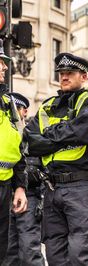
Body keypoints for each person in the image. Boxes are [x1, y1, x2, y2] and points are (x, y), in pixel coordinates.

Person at [24, 52, 88, 265]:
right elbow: (29, 141)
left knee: (80, 253)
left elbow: (82, 133)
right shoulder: (47, 105)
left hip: (81, 186)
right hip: (51, 186)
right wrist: (62, 136)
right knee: (54, 252)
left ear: (83, 77)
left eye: (70, 73)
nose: (64, 77)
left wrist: (48, 137)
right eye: (61, 73)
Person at [4, 92, 45, 265]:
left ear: (25, 111)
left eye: (16, 111)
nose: (13, 115)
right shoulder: (7, 131)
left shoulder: (34, 132)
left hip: (30, 197)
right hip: (8, 195)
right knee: (8, 251)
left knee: (29, 251)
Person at [0, 39, 27, 261]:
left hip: (5, 188)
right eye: (0, 62)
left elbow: (20, 146)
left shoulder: (8, 103)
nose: (5, 67)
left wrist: (20, 187)